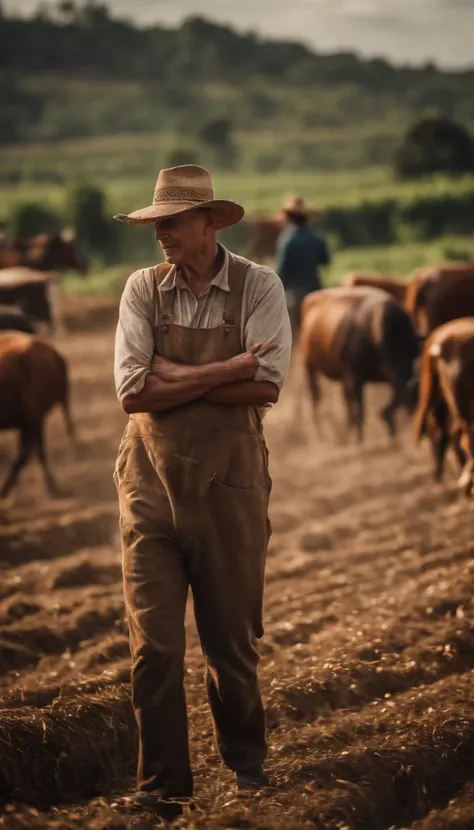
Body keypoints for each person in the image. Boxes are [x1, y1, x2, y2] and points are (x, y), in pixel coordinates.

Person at [113, 165, 291, 818]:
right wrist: (226, 368)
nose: (161, 234)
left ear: (210, 222)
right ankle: (161, 787)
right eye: (155, 223)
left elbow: (266, 386)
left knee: (231, 649)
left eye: (173, 222)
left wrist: (176, 375)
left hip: (230, 491)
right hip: (150, 490)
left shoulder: (258, 287)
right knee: (153, 647)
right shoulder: (141, 289)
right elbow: (132, 392)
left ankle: (246, 766)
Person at [275, 194, 331, 336]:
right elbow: (325, 260)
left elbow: (282, 271)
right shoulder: (317, 237)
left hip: (295, 294)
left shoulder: (287, 240)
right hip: (316, 289)